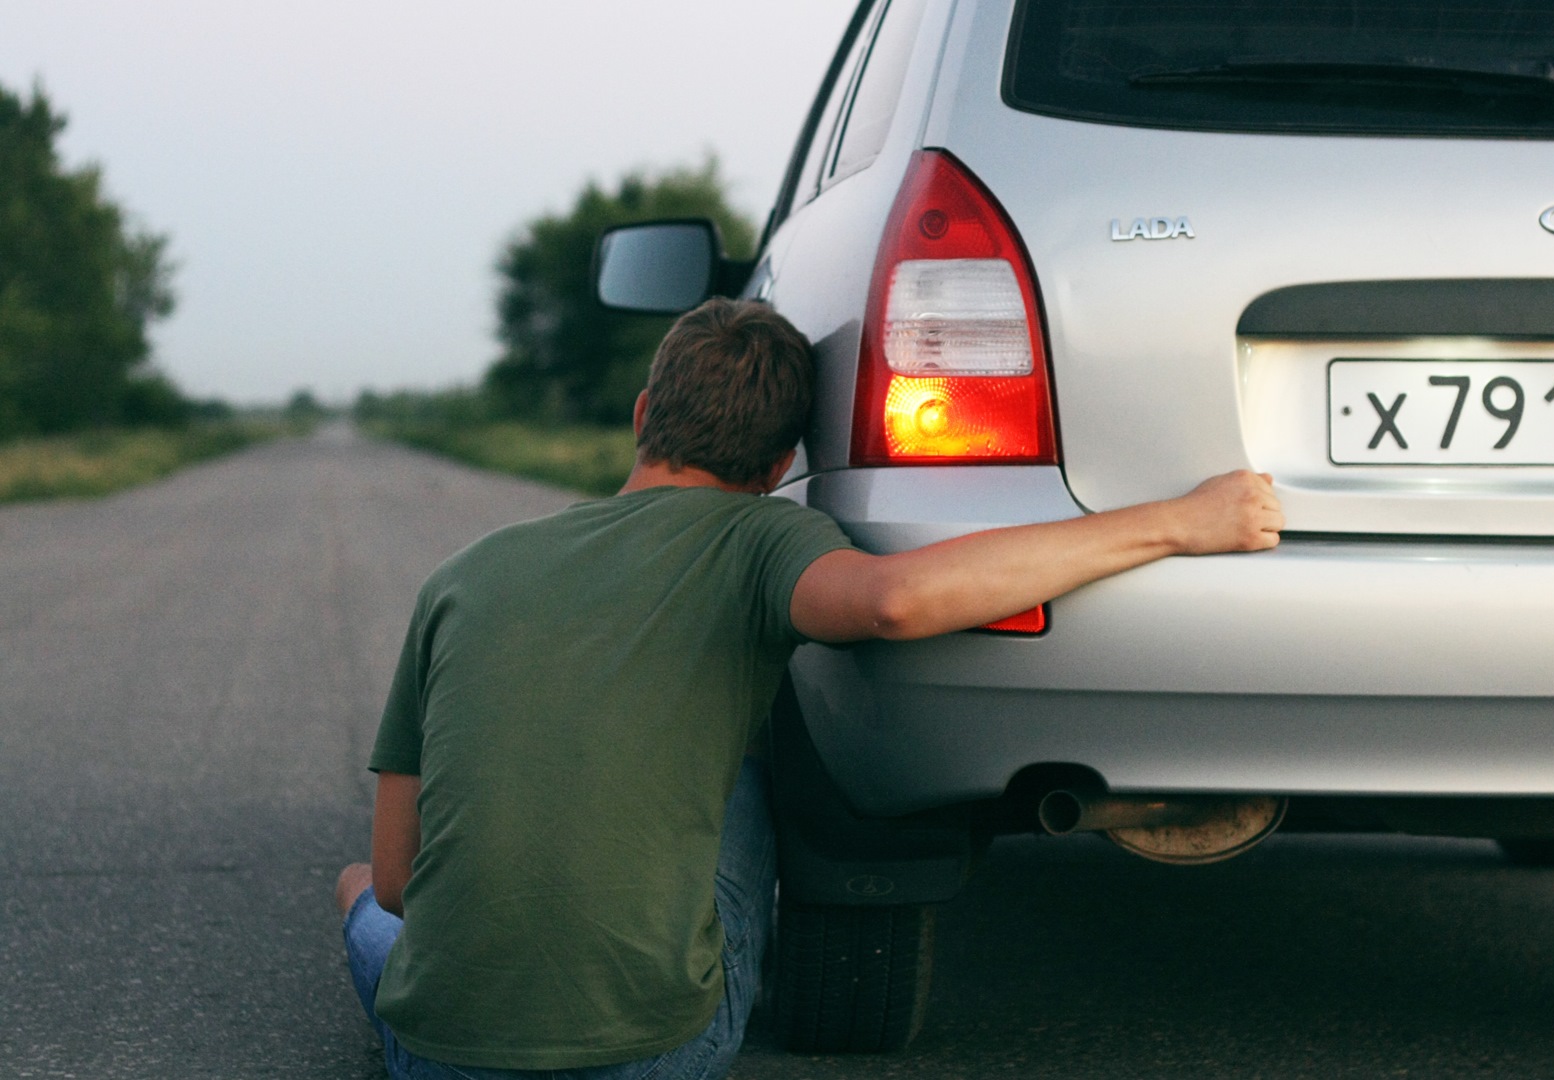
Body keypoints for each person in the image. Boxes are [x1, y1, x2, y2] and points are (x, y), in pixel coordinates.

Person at [334, 297, 1284, 1080]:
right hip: (645, 1056)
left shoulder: (465, 573)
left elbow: (397, 879)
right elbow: (898, 602)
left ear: (640, 416)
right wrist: (1177, 523)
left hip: (439, 1053)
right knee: (749, 762)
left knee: (360, 900)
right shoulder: (755, 539)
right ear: (783, 466)